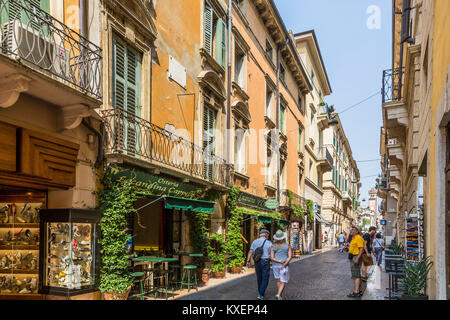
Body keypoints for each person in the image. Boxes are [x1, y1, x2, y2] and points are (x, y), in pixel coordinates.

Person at [246, 229, 273, 300]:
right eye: (268, 235)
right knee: (265, 278)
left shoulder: (254, 242)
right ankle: (260, 294)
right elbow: (271, 254)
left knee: (259, 277)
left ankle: (261, 292)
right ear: (266, 235)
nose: (268, 236)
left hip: (257, 262)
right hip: (265, 261)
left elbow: (250, 252)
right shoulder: (269, 243)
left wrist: (248, 261)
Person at [270, 230, 293, 300]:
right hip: (284, 266)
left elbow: (272, 257)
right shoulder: (287, 245)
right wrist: (284, 264)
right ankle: (278, 294)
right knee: (283, 281)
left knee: (278, 280)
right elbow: (290, 257)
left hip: (275, 265)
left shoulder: (272, 246)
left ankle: (280, 296)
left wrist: (279, 261)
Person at [347, 226, 364, 298]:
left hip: (355, 257)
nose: (351, 231)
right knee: (357, 274)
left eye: (353, 230)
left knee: (355, 275)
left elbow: (361, 249)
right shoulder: (353, 238)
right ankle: (359, 290)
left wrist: (357, 258)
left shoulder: (358, 238)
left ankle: (356, 292)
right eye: (351, 229)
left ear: (357, 231)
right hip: (353, 256)